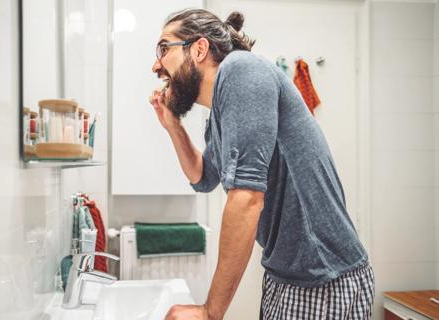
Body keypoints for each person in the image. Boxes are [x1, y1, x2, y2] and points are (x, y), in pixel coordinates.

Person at [149, 8, 374, 320]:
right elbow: (203, 177)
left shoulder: (242, 70)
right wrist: (173, 126)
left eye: (163, 49)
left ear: (199, 49)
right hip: (288, 274)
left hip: (322, 279)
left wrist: (210, 312)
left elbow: (247, 199)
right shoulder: (220, 111)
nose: (155, 66)